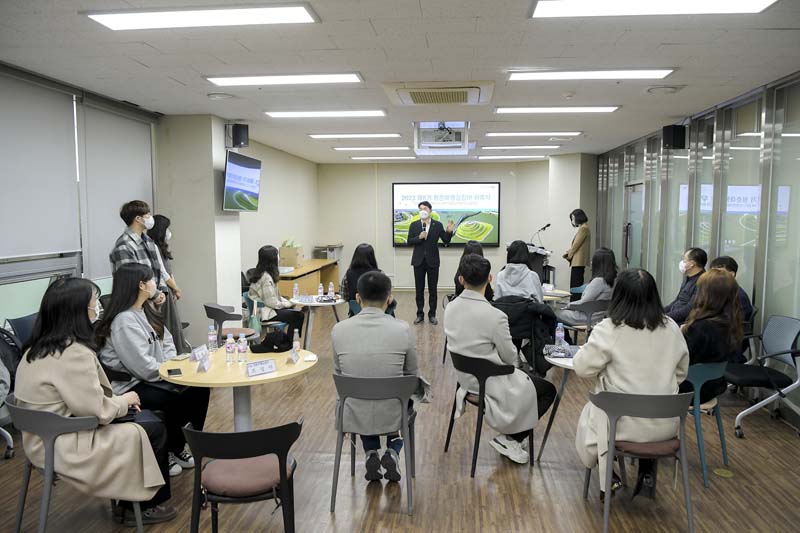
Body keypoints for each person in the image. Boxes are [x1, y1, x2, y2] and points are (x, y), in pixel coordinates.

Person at [14, 277, 176, 526]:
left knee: (148, 419)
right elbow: (96, 411)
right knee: (153, 425)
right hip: (62, 443)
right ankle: (141, 507)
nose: (97, 308)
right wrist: (125, 400)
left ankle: (131, 503)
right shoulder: (73, 353)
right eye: (93, 304)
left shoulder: (34, 350)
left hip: (39, 438)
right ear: (77, 312)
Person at [574, 269, 689, 501]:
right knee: (645, 403)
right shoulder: (672, 328)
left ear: (618, 296)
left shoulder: (609, 329)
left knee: (592, 413)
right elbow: (681, 373)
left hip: (621, 427)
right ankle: (647, 471)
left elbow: (582, 368)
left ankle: (610, 474)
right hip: (666, 427)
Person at [97, 263, 210, 478]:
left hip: (156, 376)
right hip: (133, 385)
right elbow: (142, 368)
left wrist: (172, 365)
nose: (155, 285)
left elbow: (166, 340)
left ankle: (177, 446)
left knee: (199, 390)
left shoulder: (144, 310)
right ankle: (166, 450)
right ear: (141, 285)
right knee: (173, 398)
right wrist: (171, 370)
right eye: (151, 280)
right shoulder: (123, 321)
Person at [444, 254, 557, 465]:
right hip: (491, 383)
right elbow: (509, 358)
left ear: (461, 279)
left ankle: (512, 436)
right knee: (547, 391)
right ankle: (511, 439)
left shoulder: (450, 308)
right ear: (490, 279)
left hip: (465, 381)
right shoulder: (495, 316)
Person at [332, 271, 423, 482]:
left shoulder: (339, 330)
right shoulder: (402, 330)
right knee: (398, 396)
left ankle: (371, 452)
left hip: (354, 411)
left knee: (365, 393)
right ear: (389, 298)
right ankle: (392, 450)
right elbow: (411, 375)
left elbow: (338, 375)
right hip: (393, 411)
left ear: (357, 298)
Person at [109, 201, 187, 353]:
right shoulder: (124, 246)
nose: (151, 218)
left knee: (164, 343)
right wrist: (155, 294)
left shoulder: (148, 241)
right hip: (137, 304)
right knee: (147, 348)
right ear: (138, 219)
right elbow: (131, 280)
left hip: (153, 300)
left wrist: (162, 292)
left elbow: (159, 271)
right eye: (148, 215)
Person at [679, 270, 743, 403]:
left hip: (690, 389)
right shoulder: (731, 323)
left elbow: (682, 359)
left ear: (706, 294)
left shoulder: (701, 327)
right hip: (714, 386)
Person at [407, 201, 454, 325]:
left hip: (433, 261)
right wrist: (419, 237)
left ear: (430, 210)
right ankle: (420, 314)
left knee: (433, 290)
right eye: (420, 209)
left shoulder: (437, 225)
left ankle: (432, 314)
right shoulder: (414, 225)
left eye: (425, 208)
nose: (423, 211)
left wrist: (449, 232)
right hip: (418, 261)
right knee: (419, 290)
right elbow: (409, 241)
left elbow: (446, 241)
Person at [147, 214, 187, 353]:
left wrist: (176, 289)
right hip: (163, 291)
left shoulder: (160, 247)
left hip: (169, 290)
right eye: (167, 228)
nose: (169, 232)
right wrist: (176, 289)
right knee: (170, 325)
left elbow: (169, 273)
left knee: (174, 324)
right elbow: (163, 274)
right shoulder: (152, 247)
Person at [248, 245, 305, 336]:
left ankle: (290, 341)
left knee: (296, 311)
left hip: (267, 308)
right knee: (298, 315)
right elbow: (273, 303)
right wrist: (290, 303)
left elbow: (276, 297)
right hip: (266, 313)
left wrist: (290, 302)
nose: (278, 259)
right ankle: (290, 343)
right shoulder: (266, 278)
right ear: (272, 260)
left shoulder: (263, 273)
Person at [709, 255, 754, 363]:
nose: (714, 276)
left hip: (729, 343)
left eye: (719, 272)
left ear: (732, 274)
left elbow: (730, 325)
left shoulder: (738, 297)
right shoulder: (724, 292)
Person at [556, 247, 617, 328]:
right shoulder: (615, 281)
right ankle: (567, 338)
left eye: (593, 260)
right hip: (600, 317)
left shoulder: (598, 281)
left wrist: (567, 305)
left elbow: (583, 303)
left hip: (585, 317)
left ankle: (561, 339)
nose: (591, 262)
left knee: (551, 312)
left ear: (598, 263)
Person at [340, 243, 397, 317]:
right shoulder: (380, 274)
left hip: (355, 314)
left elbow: (344, 296)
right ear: (372, 257)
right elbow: (387, 296)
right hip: (380, 314)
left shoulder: (348, 274)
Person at [665, 247, 707, 325]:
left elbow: (689, 310)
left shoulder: (703, 282)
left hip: (682, 324)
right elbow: (677, 301)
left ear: (692, 264)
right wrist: (659, 312)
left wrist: (665, 318)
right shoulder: (688, 278)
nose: (682, 262)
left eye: (684, 260)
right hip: (672, 319)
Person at [563, 209, 591, 302]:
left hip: (578, 262)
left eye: (573, 218)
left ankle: (574, 304)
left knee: (575, 286)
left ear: (579, 217)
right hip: (578, 262)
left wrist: (568, 255)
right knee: (576, 285)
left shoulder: (583, 228)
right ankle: (574, 303)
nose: (572, 221)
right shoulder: (584, 228)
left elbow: (576, 245)